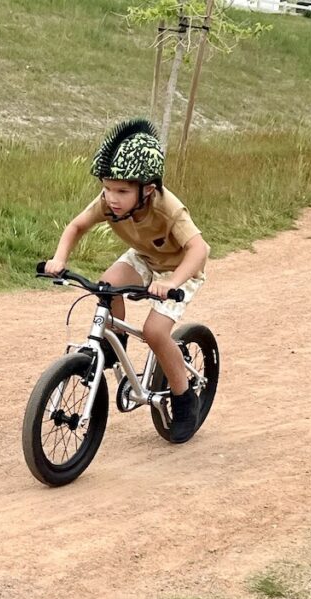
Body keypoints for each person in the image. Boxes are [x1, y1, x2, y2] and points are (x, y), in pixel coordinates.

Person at [43, 118, 210, 444]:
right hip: (144, 258)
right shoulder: (108, 203)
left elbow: (199, 249)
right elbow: (75, 227)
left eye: (121, 190)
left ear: (147, 189)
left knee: (154, 331)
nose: (111, 197)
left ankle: (184, 396)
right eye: (107, 188)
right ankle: (116, 342)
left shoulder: (169, 209)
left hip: (179, 269)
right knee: (106, 285)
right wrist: (59, 259)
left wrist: (172, 282)